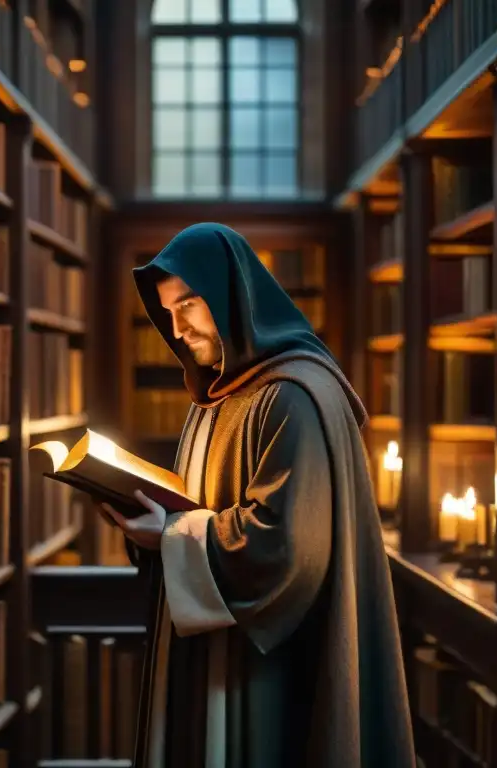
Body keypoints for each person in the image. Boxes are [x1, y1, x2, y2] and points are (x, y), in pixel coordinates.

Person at [101, 223, 415, 768]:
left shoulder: (292, 395)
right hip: (210, 649)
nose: (177, 329)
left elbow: (286, 546)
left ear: (229, 295)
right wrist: (148, 525)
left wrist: (172, 535)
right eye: (167, 313)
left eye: (190, 305)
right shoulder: (217, 396)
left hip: (264, 666)